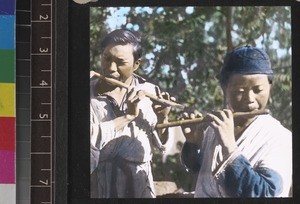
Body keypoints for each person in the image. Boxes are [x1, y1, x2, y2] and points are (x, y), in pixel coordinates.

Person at [180, 45, 292, 197]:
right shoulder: (215, 128)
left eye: (258, 90)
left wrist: (229, 147)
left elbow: (265, 193)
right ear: (224, 89)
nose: (250, 100)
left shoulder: (280, 138)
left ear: (270, 87)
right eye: (239, 91)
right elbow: (199, 169)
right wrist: (195, 143)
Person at [90, 29, 171, 198]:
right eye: (107, 59)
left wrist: (163, 117)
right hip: (98, 186)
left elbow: (160, 143)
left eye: (120, 62)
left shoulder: (149, 91)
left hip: (140, 187)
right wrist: (127, 116)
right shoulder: (87, 92)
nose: (111, 68)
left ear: (136, 64)